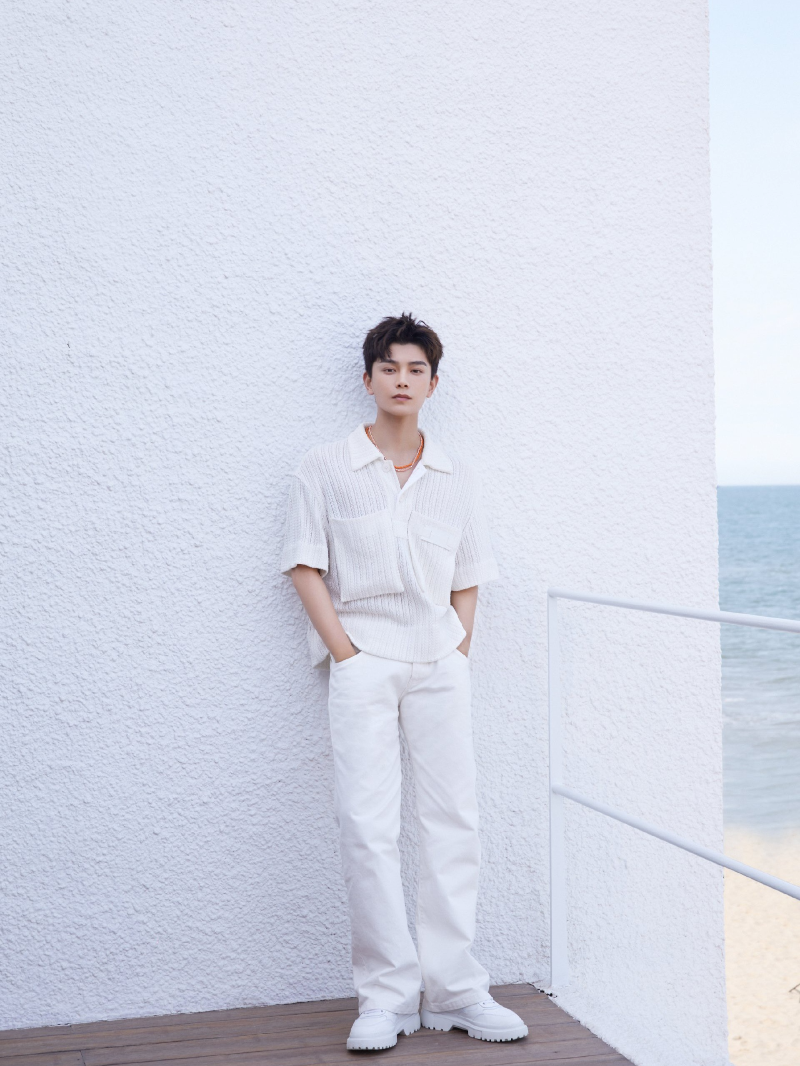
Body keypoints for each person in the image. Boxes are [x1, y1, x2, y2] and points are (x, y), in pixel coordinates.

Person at [280, 313, 528, 1051]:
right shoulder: (325, 466)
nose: (401, 380)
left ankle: (455, 990)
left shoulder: (454, 474)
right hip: (363, 661)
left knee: (455, 822)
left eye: (415, 369)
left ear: (433, 384)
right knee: (366, 827)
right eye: (389, 367)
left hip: (438, 661)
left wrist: (458, 653)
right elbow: (304, 564)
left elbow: (469, 575)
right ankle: (386, 997)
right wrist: (348, 655)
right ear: (368, 379)